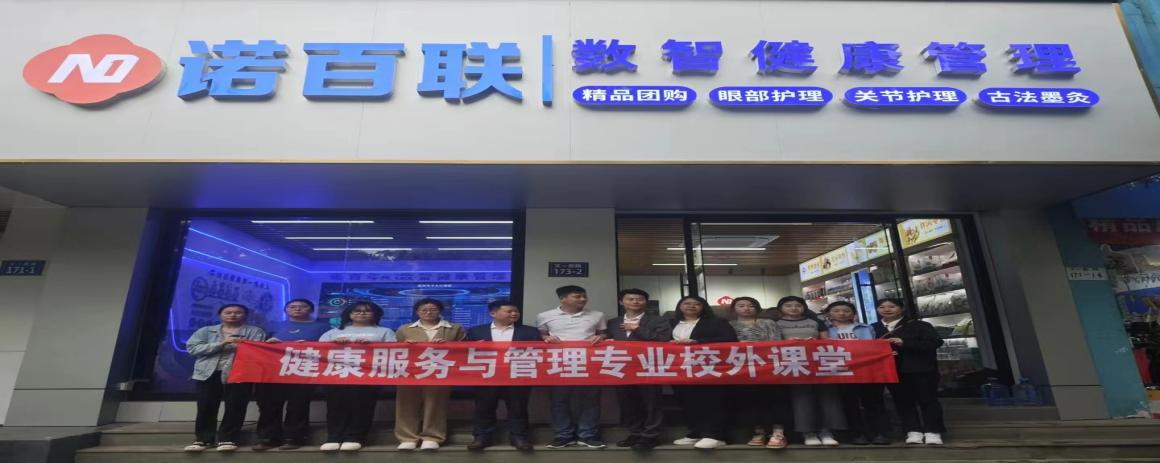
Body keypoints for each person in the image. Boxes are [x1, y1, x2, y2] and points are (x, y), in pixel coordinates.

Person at [184, 304, 267, 452]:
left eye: (238, 312)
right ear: (220, 315)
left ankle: (228, 438)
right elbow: (193, 348)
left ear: (245, 315)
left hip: (240, 373)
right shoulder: (205, 331)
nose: (233, 315)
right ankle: (203, 439)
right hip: (207, 373)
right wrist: (221, 343)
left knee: (235, 406)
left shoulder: (255, 331)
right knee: (205, 406)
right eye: (228, 312)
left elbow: (256, 351)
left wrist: (238, 345)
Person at [252, 298, 331, 451]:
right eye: (292, 307)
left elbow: (328, 348)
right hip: (273, 370)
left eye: (303, 306)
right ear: (286, 310)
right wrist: (269, 343)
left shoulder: (323, 327)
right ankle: (267, 438)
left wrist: (311, 345)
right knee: (269, 405)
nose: (297, 309)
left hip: (303, 369)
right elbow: (257, 346)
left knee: (298, 405)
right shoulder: (273, 325)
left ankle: (294, 438)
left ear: (311, 310)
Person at [536, 285, 608, 449]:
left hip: (589, 363)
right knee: (559, 400)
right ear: (563, 299)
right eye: (577, 296)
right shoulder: (544, 316)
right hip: (557, 363)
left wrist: (600, 337)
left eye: (584, 296)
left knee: (591, 400)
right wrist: (546, 338)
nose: (583, 299)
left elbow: (603, 333)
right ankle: (563, 436)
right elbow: (541, 335)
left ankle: (587, 435)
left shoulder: (598, 315)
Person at [318, 301, 396, 452]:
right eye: (357, 311)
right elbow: (318, 350)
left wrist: (373, 345)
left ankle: (355, 437)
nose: (362, 313)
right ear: (349, 314)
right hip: (337, 374)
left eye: (367, 311)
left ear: (375, 314)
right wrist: (333, 343)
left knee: (363, 406)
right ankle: (334, 437)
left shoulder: (385, 331)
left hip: (368, 375)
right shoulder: (334, 332)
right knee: (335, 406)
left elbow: (393, 352)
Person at [466, 300, 542, 451]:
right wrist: (473, 346)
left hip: (517, 375)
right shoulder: (476, 331)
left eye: (516, 311)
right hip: (486, 376)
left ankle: (519, 437)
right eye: (509, 311)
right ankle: (482, 437)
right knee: (484, 407)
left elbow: (541, 352)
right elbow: (462, 353)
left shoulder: (530, 332)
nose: (514, 314)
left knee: (518, 408)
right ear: (493, 313)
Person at [394, 298, 467, 451]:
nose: (428, 312)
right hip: (410, 373)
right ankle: (407, 437)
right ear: (417, 312)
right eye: (424, 310)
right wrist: (405, 345)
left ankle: (432, 436)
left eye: (433, 309)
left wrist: (449, 346)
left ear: (440, 311)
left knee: (436, 404)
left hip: (439, 372)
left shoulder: (454, 329)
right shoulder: (404, 329)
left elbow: (464, 351)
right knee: (406, 404)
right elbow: (393, 350)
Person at [872, 297, 946, 446]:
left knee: (928, 400)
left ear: (902, 308)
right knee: (903, 401)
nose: (887, 309)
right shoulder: (873, 328)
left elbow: (935, 342)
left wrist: (904, 343)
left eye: (892, 306)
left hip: (921, 369)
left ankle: (933, 431)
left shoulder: (919, 325)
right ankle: (912, 430)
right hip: (893, 371)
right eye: (882, 307)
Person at [669, 295, 739, 450]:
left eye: (697, 304)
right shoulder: (671, 323)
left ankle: (716, 435)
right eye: (687, 303)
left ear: (704, 307)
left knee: (711, 401)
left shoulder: (717, 322)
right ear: (679, 306)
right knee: (687, 401)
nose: (691, 306)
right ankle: (696, 432)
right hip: (681, 368)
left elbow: (729, 339)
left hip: (709, 368)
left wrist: (698, 342)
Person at [607, 288, 672, 450]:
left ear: (646, 302)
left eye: (640, 299)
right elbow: (607, 340)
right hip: (621, 367)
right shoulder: (613, 322)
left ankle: (651, 435)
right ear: (621, 302)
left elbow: (663, 339)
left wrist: (637, 328)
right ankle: (635, 433)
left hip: (648, 367)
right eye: (630, 299)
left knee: (651, 402)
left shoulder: (659, 320)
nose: (635, 302)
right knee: (628, 402)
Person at [775, 296, 846, 446]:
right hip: (793, 365)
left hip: (819, 364)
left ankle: (827, 432)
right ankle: (808, 433)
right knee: (801, 399)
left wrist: (815, 343)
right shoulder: (775, 324)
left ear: (804, 307)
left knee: (827, 397)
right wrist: (786, 343)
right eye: (788, 305)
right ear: (780, 308)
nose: (794, 308)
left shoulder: (816, 322)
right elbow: (772, 345)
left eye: (798, 305)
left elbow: (827, 342)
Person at [727, 297, 791, 449]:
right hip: (742, 367)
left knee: (775, 397)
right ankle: (758, 431)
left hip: (768, 366)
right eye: (741, 306)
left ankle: (778, 432)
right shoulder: (729, 325)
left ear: (757, 308)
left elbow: (776, 342)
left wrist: (759, 346)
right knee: (750, 399)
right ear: (734, 309)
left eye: (750, 305)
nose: (746, 308)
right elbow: (724, 345)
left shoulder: (768, 323)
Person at [825, 301, 890, 446]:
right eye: (836, 310)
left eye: (846, 311)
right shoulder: (824, 329)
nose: (841, 313)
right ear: (829, 313)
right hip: (841, 370)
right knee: (849, 403)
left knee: (873, 402)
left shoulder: (866, 328)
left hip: (866, 369)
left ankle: (879, 433)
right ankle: (857, 434)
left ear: (853, 313)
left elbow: (876, 346)